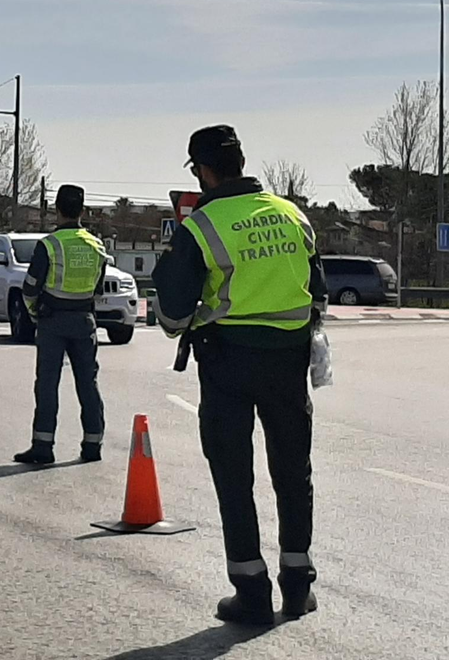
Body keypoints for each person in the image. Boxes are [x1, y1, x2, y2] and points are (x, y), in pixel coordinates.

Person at [152, 125, 326, 625]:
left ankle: (251, 590)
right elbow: (317, 288)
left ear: (202, 171)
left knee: (234, 475)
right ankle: (297, 585)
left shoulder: (202, 226)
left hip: (228, 360)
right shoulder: (293, 215)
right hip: (289, 361)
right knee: (294, 472)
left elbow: (172, 315)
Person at [14, 185, 107, 465]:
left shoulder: (49, 244)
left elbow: (30, 288)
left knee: (47, 385)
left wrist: (33, 314)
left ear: (57, 210)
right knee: (88, 384)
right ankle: (93, 444)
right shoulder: (97, 245)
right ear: (82, 210)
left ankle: (43, 446)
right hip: (85, 320)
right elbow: (98, 288)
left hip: (52, 320)